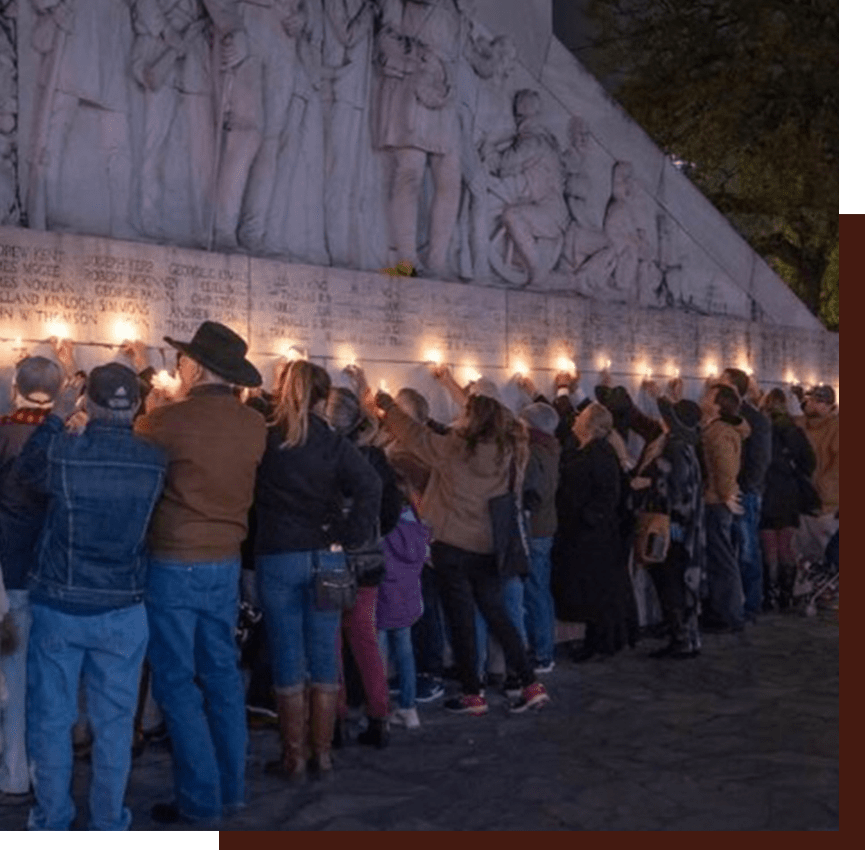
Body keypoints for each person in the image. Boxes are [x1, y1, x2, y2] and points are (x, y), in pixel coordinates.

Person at [16, 363, 167, 830]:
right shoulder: (155, 459)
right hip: (124, 607)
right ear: (138, 405)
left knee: (52, 721)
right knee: (116, 726)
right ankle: (107, 824)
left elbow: (26, 471)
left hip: (59, 605)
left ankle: (52, 821)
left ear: (88, 403)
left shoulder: (63, 452)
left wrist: (57, 416)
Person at [135, 321, 266, 824]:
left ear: (200, 367)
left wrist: (153, 410)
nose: (180, 366)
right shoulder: (253, 423)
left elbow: (139, 457)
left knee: (175, 682)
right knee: (222, 677)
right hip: (225, 561)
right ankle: (232, 788)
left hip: (173, 560)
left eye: (185, 360)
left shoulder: (168, 422)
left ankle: (200, 798)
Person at [367, 380, 549, 715]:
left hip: (451, 545)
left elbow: (414, 436)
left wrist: (386, 406)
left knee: (462, 620)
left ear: (470, 420)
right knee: (500, 616)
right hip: (489, 546)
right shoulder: (509, 450)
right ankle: (531, 683)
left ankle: (472, 693)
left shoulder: (454, 448)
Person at [254, 361, 381, 779]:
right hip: (327, 554)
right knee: (325, 653)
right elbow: (371, 486)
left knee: (288, 657)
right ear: (324, 395)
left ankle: (294, 756)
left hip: (278, 554)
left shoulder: (268, 437)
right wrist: (348, 532)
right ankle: (323, 755)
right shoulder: (332, 440)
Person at [0, 355, 63, 799]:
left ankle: (14, 771)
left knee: (12, 685)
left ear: (14, 389)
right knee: (52, 685)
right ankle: (47, 774)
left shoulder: (4, 432)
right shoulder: (67, 437)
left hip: (10, 575)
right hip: (55, 579)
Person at [325, 384, 399, 749]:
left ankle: (335, 720)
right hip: (368, 559)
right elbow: (390, 512)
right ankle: (379, 716)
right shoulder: (374, 459)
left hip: (330, 561)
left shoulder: (321, 456)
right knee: (366, 640)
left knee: (332, 643)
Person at [551, 401, 633, 661]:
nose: (574, 421)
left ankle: (599, 641)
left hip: (592, 535)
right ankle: (599, 640)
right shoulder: (594, 451)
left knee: (596, 590)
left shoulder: (597, 454)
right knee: (597, 590)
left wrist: (586, 517)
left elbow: (604, 494)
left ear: (589, 426)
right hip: (593, 532)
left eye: (579, 418)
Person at [632, 384, 705, 658]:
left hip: (671, 528)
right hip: (685, 528)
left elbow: (671, 489)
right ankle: (686, 636)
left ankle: (681, 638)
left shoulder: (673, 448)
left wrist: (644, 483)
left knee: (670, 581)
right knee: (678, 582)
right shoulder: (686, 445)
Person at [376, 469, 431, 729]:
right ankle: (409, 709)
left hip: (382, 600)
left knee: (379, 655)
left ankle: (381, 710)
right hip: (408, 600)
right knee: (406, 653)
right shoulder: (417, 527)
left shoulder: (382, 529)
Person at [720, 367, 772, 623]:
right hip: (728, 491)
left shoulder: (754, 419)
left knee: (747, 549)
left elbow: (760, 459)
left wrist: (746, 487)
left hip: (744, 492)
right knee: (733, 549)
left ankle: (751, 604)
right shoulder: (722, 418)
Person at [699, 383, 750, 633]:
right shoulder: (717, 429)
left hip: (717, 502)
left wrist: (726, 494)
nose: (704, 397)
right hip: (718, 500)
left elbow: (725, 468)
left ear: (718, 405)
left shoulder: (719, 433)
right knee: (722, 557)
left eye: (709, 395)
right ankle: (724, 610)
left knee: (722, 559)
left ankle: (728, 613)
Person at [759, 388, 816, 610]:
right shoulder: (795, 431)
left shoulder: (760, 430)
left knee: (769, 545)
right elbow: (810, 463)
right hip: (789, 493)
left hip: (767, 492)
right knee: (787, 546)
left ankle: (770, 595)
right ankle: (786, 594)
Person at [517, 401, 561, 673]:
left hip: (535, 530)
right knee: (540, 590)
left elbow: (532, 494)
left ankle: (543, 652)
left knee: (534, 592)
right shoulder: (551, 448)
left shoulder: (533, 453)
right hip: (546, 528)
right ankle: (545, 648)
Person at [792, 384, 839, 565]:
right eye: (812, 400)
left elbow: (837, 470)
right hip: (801, 503)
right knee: (803, 558)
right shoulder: (799, 425)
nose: (814, 404)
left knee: (826, 558)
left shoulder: (837, 429)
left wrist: (821, 494)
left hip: (825, 507)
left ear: (830, 407)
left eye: (820, 402)